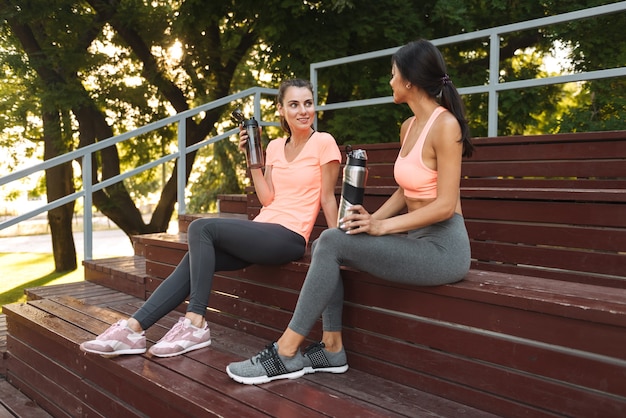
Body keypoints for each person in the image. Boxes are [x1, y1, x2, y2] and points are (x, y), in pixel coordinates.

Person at [226, 39, 475, 385]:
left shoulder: (445, 126)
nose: (389, 82)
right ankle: (331, 348)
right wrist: (367, 221)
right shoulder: (408, 127)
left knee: (330, 242)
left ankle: (287, 353)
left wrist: (380, 226)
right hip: (414, 241)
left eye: (393, 75)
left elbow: (446, 204)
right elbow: (406, 191)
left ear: (409, 80)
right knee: (333, 239)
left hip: (444, 251)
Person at [80, 79, 341, 358]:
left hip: (289, 237)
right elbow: (267, 199)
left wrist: (338, 244)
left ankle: (196, 322)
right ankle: (133, 328)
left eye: (308, 103)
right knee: (195, 258)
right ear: (281, 110)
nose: (303, 110)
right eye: (294, 104)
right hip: (262, 232)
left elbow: (327, 198)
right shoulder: (276, 146)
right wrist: (253, 159)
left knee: (201, 228)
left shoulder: (323, 142)